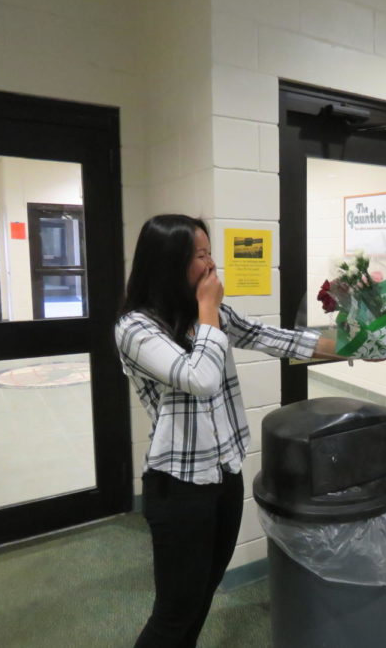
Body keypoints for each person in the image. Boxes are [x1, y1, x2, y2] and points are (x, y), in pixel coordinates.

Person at [116, 214, 335, 647]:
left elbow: (266, 335)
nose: (211, 264)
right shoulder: (135, 327)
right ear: (169, 262)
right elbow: (199, 377)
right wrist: (208, 310)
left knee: (201, 599)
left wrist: (350, 346)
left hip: (224, 476)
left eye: (208, 251)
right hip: (178, 488)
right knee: (173, 613)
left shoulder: (204, 316)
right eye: (200, 255)